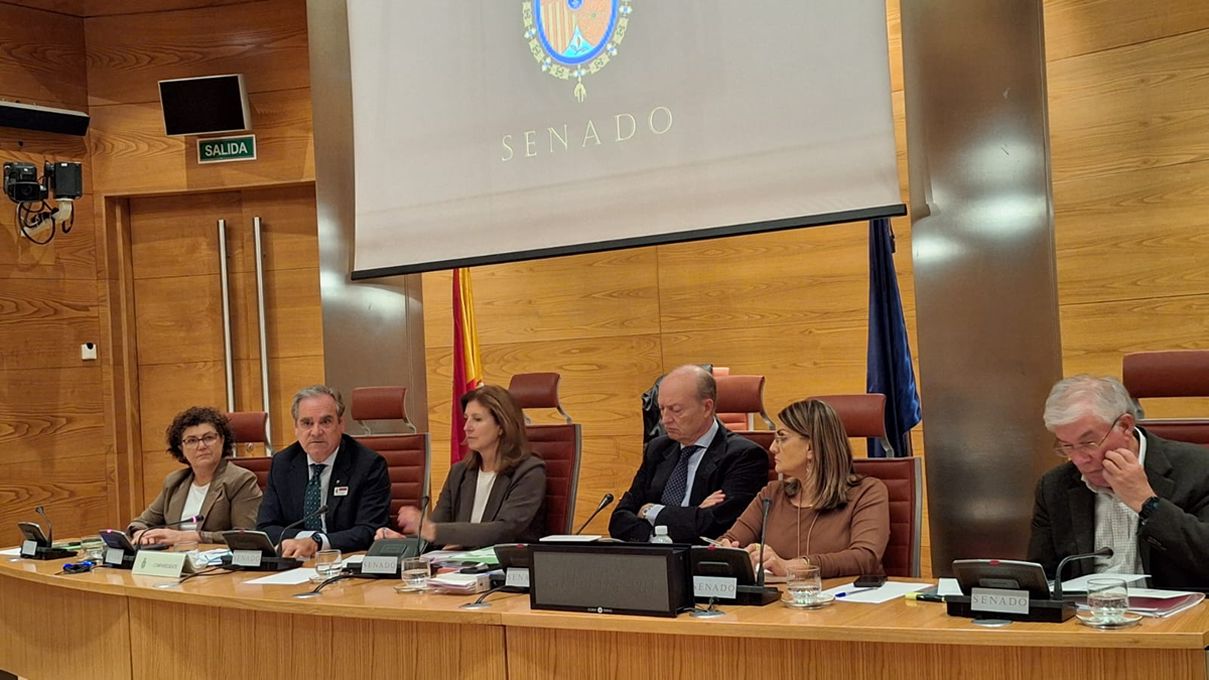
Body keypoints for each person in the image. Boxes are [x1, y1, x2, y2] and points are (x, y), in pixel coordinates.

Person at [1028, 375, 1209, 588]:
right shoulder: (1054, 486)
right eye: (1067, 446)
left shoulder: (1199, 469)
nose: (1078, 459)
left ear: (1125, 426)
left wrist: (1148, 504)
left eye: (1088, 443)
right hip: (1086, 616)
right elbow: (1043, 579)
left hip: (1180, 618)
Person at [719, 399, 889, 577]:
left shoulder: (868, 492)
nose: (772, 448)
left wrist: (792, 567)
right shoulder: (771, 494)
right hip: (779, 602)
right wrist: (726, 550)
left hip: (846, 601)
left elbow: (865, 558)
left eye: (782, 438)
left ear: (811, 448)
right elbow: (730, 539)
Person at [609, 365, 768, 543]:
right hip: (651, 560)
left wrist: (648, 510)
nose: (665, 420)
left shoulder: (744, 456)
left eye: (676, 410)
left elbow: (714, 527)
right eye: (662, 409)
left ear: (707, 407)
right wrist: (691, 515)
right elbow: (619, 520)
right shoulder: (657, 449)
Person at [376, 385, 546, 548]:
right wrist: (402, 541)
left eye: (477, 419)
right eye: (466, 419)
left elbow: (504, 530)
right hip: (458, 567)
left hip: (508, 569)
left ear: (502, 426)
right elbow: (436, 528)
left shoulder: (529, 472)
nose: (466, 427)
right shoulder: (460, 472)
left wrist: (431, 530)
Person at [257, 385, 391, 558]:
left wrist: (317, 542)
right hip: (295, 562)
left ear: (341, 424)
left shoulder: (368, 465)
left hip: (344, 561)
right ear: (296, 428)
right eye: (307, 423)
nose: (316, 432)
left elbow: (370, 529)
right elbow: (265, 527)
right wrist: (303, 542)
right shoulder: (283, 463)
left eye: (325, 422)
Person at [128, 406, 263, 546]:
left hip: (217, 563)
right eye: (192, 440)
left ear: (222, 440)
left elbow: (245, 535)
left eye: (209, 438)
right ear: (181, 448)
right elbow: (140, 522)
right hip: (174, 560)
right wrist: (141, 534)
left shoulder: (240, 480)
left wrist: (189, 537)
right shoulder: (174, 482)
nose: (201, 446)